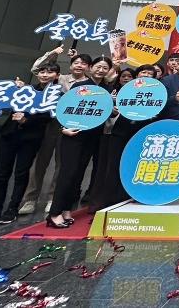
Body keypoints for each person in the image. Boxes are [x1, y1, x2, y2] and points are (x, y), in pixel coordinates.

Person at [19, 52, 92, 216]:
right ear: (71, 65)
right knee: (40, 162)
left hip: (71, 125)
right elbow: (37, 69)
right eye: (76, 62)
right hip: (50, 124)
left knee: (62, 164)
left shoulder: (89, 84)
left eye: (83, 63)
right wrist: (52, 54)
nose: (79, 65)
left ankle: (53, 198)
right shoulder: (60, 78)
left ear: (88, 67)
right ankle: (30, 199)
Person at [0, 63, 60, 226]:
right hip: (8, 135)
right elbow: (6, 105)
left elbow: (48, 117)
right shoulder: (25, 89)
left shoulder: (56, 94)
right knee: (1, 174)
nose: (45, 75)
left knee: (21, 173)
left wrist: (26, 120)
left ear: (57, 76)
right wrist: (13, 89)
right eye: (42, 71)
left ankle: (12, 209)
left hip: (30, 138)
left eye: (50, 72)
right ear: (37, 74)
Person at [47, 55, 113, 228]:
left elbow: (105, 113)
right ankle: (54, 213)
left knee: (78, 174)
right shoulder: (80, 86)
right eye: (98, 66)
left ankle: (67, 209)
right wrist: (63, 128)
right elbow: (64, 108)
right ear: (90, 68)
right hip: (73, 135)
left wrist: (113, 110)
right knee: (67, 173)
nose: (101, 70)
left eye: (105, 68)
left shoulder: (107, 89)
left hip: (93, 137)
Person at [89, 64, 158, 212]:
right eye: (143, 72)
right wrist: (112, 109)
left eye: (150, 73)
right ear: (137, 76)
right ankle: (104, 204)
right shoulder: (123, 90)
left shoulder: (157, 93)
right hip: (119, 133)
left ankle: (125, 200)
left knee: (132, 168)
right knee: (111, 168)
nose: (146, 75)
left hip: (141, 135)